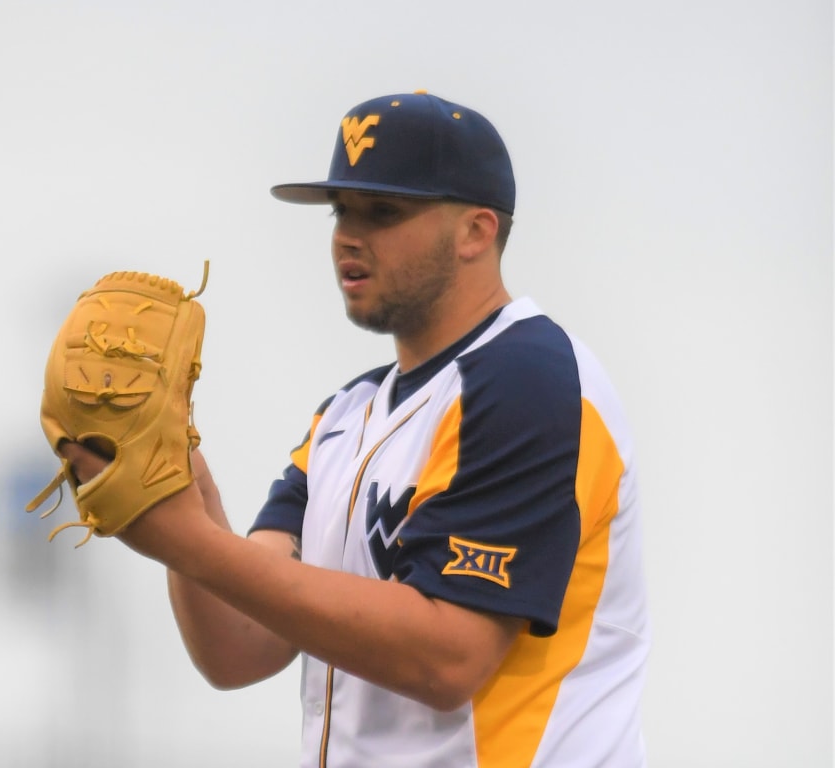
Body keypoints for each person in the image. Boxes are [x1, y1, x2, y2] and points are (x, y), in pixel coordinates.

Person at [59, 91, 650, 767]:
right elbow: (240, 645)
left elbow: (448, 657)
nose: (347, 233)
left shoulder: (531, 380)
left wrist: (188, 542)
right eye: (342, 210)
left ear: (476, 232)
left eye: (384, 211)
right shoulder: (344, 416)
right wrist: (180, 482)